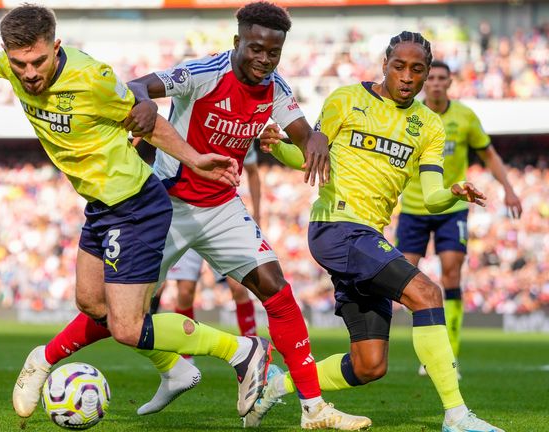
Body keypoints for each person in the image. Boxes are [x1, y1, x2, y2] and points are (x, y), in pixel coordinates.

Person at [0, 3, 275, 423]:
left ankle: (240, 350)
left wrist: (195, 159)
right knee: (91, 304)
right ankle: (174, 368)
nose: (29, 73)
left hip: (136, 206)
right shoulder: (10, 65)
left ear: (56, 48)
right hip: (101, 206)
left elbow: (149, 121)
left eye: (38, 62)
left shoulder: (93, 78)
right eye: (19, 64)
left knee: (127, 326)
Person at [12, 2, 371, 430]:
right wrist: (143, 104)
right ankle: (51, 358)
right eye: (255, 49)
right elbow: (140, 85)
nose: (263, 60)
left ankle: (314, 409)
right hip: (166, 206)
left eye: (273, 53)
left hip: (221, 207)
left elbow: (302, 130)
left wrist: (315, 140)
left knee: (278, 290)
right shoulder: (203, 73)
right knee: (114, 312)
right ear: (237, 42)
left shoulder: (276, 88)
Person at [248, 31, 504, 432]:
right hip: (337, 226)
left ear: (424, 76)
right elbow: (309, 158)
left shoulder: (428, 125)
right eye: (399, 66)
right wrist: (278, 146)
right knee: (427, 294)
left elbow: (433, 194)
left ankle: (276, 385)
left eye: (416, 70)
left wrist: (454, 194)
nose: (407, 76)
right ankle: (456, 416)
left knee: (370, 365)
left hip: (367, 237)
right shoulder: (345, 99)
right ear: (384, 64)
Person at [396, 60, 522, 378]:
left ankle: (449, 355)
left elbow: (489, 153)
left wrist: (508, 188)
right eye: (432, 78)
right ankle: (428, 349)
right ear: (425, 81)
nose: (436, 83)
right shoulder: (410, 115)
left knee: (451, 274)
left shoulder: (465, 116)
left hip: (452, 208)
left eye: (442, 78)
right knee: (404, 280)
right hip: (414, 208)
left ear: (450, 82)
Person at [151, 145, 264, 341]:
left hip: (220, 215)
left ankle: (253, 344)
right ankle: (187, 354)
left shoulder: (240, 132)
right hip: (185, 214)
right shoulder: (186, 128)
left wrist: (257, 214)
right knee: (185, 291)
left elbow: (253, 172)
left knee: (238, 286)